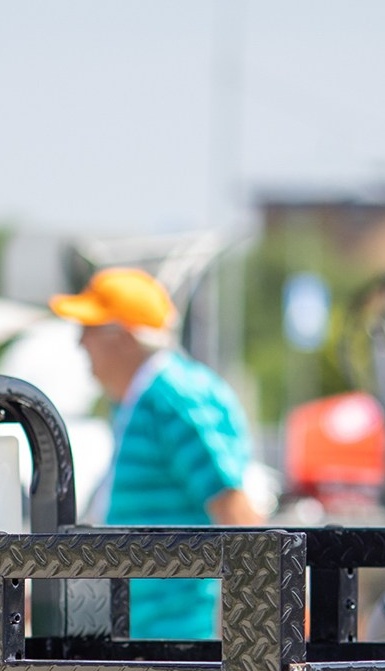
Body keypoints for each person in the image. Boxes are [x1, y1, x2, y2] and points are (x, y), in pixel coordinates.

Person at [49, 267, 260, 640]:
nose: (79, 343)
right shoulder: (148, 398)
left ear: (126, 337)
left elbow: (236, 512)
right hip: (151, 633)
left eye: (90, 329)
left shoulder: (172, 396)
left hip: (179, 639)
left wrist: (258, 636)